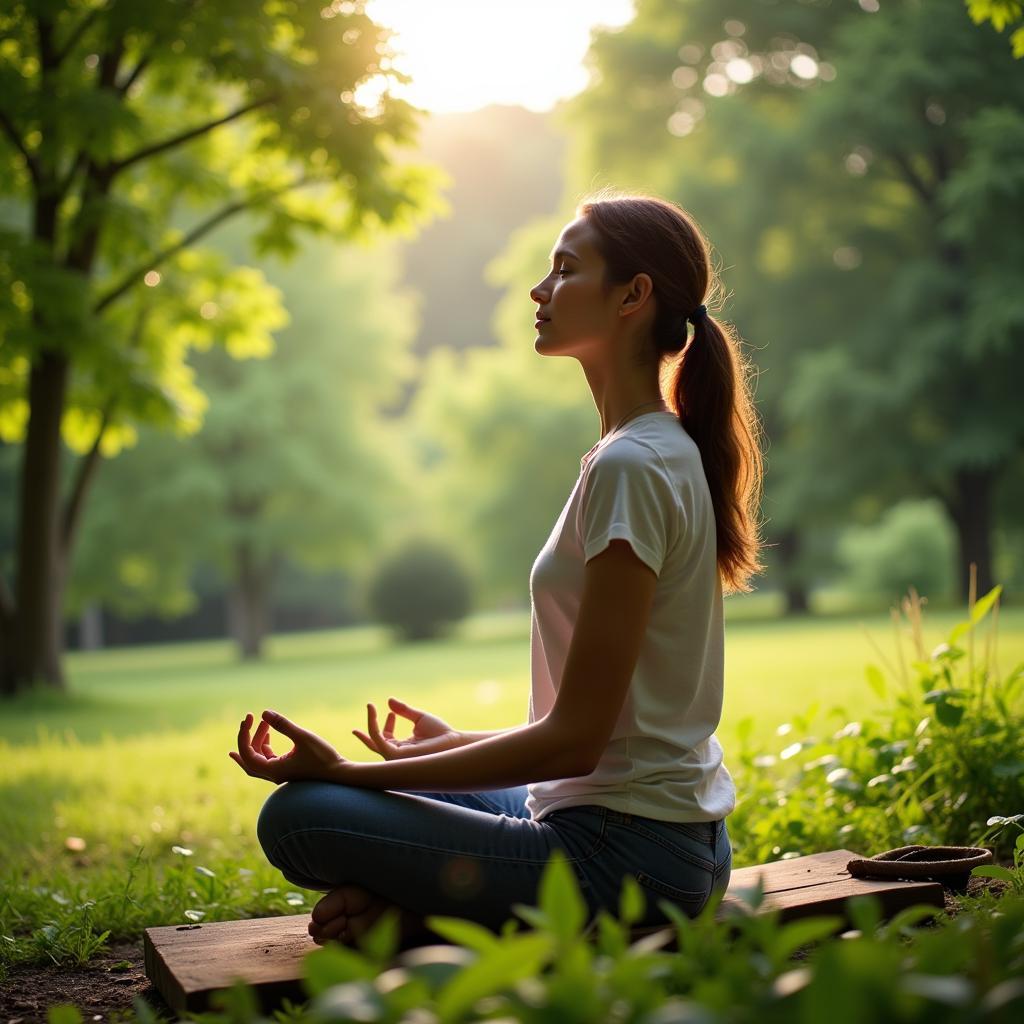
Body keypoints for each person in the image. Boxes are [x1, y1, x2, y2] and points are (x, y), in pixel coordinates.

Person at [230, 192, 764, 948]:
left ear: (632, 296)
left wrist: (349, 774)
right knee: (415, 777)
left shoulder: (633, 466)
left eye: (565, 269)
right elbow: (598, 735)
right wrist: (452, 745)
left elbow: (575, 742)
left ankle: (423, 922)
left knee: (299, 816)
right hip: (664, 844)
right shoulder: (655, 451)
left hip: (627, 866)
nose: (539, 291)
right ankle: (427, 915)